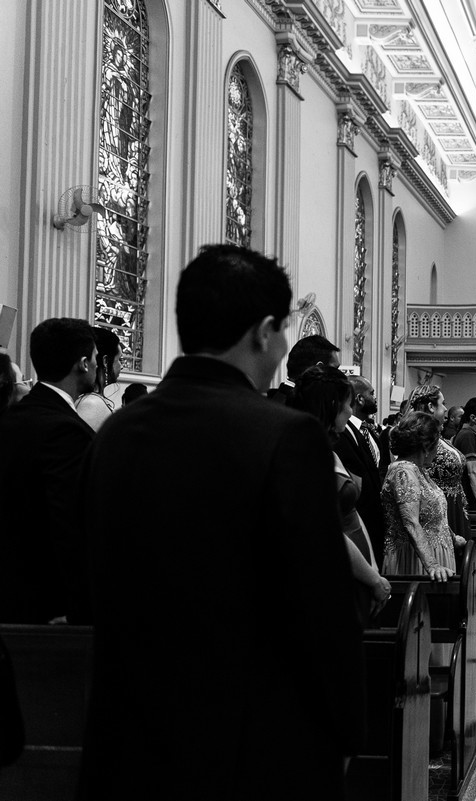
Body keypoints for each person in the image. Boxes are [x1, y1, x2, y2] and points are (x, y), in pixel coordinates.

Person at [77, 245, 364, 798]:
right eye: (283, 333)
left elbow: (91, 576)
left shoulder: (117, 433)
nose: (283, 350)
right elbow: (319, 604)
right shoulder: (285, 436)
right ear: (262, 331)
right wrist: (344, 731)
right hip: (249, 744)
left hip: (132, 740)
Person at [0, 318, 96, 624]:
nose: (97, 365)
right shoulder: (65, 431)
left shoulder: (14, 417)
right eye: (96, 358)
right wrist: (79, 608)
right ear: (83, 364)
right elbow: (69, 524)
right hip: (45, 604)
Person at [291, 364, 392, 626]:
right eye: (347, 403)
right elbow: (328, 529)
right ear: (333, 404)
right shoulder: (307, 454)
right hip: (338, 570)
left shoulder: (325, 448)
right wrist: (373, 578)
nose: (350, 410)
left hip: (358, 571)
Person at [383, 411, 467, 578]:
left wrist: (452, 536)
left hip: (434, 553)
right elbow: (411, 522)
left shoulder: (419, 469)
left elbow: (430, 513)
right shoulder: (403, 471)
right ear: (426, 445)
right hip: (414, 560)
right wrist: (432, 565)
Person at [334, 376, 387, 564]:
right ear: (359, 399)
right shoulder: (341, 433)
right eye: (371, 394)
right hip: (355, 519)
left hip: (373, 518)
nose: (375, 398)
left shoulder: (369, 430)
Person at [408, 385, 468, 534]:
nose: (446, 409)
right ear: (431, 407)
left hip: (455, 506)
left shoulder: (438, 436)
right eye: (443, 403)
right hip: (438, 509)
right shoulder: (420, 438)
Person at [266, 333, 340, 404]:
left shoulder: (268, 400)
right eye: (335, 369)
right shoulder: (308, 409)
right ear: (319, 368)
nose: (340, 376)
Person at [75, 326, 123, 431]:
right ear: (105, 361)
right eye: (119, 359)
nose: (121, 365)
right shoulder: (91, 404)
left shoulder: (90, 400)